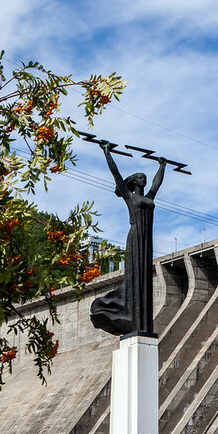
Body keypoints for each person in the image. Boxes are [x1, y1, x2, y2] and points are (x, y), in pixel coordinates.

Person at [90, 141, 167, 336]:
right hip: (135, 238)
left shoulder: (149, 198)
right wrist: (107, 153)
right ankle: (129, 313)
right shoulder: (130, 197)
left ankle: (139, 320)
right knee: (134, 275)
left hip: (146, 239)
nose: (144, 179)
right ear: (134, 182)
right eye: (141, 178)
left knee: (144, 278)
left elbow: (157, 184)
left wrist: (162, 166)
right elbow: (116, 175)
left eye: (145, 178)